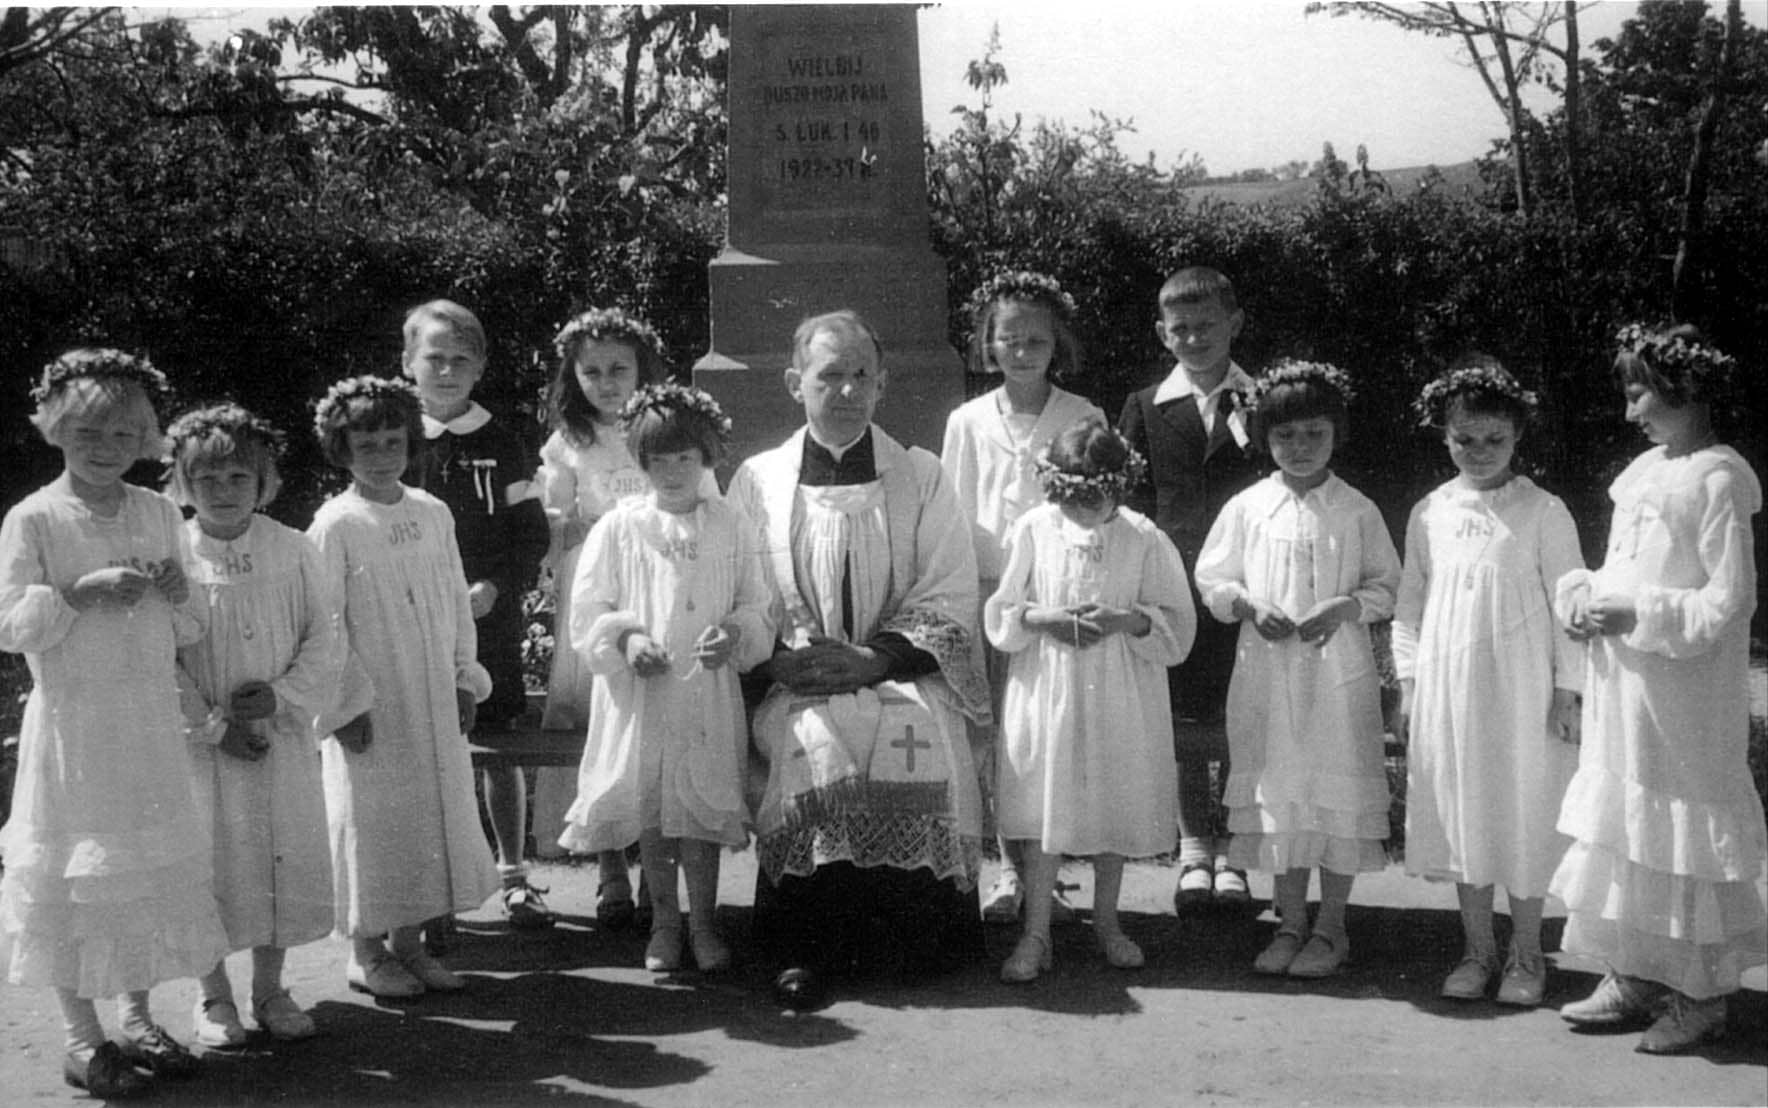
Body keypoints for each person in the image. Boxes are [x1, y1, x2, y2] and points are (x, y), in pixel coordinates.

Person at [729, 310, 992, 1011]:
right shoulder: (758, 481)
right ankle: (805, 949)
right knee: (813, 743)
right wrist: (780, 662)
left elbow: (949, 588)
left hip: (897, 673)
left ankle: (913, 944)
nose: (846, 391)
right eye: (828, 376)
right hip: (801, 678)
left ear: (882, 384)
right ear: (795, 383)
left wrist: (876, 661)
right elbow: (739, 591)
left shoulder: (920, 476)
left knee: (921, 736)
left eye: (860, 376)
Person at [0, 349, 228, 1098]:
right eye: (87, 433)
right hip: (76, 729)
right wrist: (76, 591)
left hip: (146, 727)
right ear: (55, 429)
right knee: (78, 882)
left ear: (146, 442)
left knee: (141, 881)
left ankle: (136, 1019)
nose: (105, 449)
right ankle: (81, 1038)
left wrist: (172, 586)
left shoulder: (159, 511)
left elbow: (192, 623)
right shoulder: (34, 517)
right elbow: (9, 625)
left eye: (124, 436)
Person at [1551, 323, 1765, 1054]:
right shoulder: (1642, 475)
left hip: (1685, 696)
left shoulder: (1718, 479)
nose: (1630, 409)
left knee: (1682, 832)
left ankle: (1700, 993)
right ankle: (1636, 973)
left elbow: (1726, 601)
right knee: (1630, 827)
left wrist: (1642, 612)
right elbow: (1620, 566)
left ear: (1689, 390)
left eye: (1640, 391)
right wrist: (1583, 597)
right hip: (1626, 688)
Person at [1194, 359, 1399, 979]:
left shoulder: (1357, 510)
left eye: (1314, 434)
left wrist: (1346, 606)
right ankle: (1288, 923)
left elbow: (1387, 586)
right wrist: (1249, 604)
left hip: (1337, 675)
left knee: (1333, 790)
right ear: (1264, 439)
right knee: (1283, 791)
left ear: (1335, 433)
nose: (1300, 448)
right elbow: (1213, 578)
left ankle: (1331, 928)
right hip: (1269, 673)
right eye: (1285, 437)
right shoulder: (1250, 506)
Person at [557, 384, 771, 974]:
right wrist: (627, 638)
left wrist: (734, 632)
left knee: (699, 810)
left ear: (707, 458)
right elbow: (588, 611)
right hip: (645, 695)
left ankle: (703, 924)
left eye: (685, 458)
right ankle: (664, 924)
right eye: (658, 460)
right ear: (640, 462)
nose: (672, 471)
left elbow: (759, 603)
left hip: (706, 692)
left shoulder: (731, 524)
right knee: (654, 810)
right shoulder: (621, 528)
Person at [1391, 359, 1584, 1007]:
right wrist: (1412, 684)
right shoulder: (1430, 512)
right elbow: (1410, 608)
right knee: (1466, 815)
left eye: (1493, 440)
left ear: (1517, 436)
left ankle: (1527, 954)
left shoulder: (1543, 511)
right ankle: (1477, 950)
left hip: (1523, 691)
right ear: (1444, 436)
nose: (1478, 452)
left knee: (1523, 812)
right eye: (1463, 439)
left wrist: (1568, 689)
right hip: (1452, 693)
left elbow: (1570, 608)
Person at [308, 375, 499, 998]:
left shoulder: (431, 512)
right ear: (343, 449)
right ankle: (365, 951)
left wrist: (463, 679)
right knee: (373, 821)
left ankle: (409, 946)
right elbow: (324, 622)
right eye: (368, 445)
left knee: (423, 818)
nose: (383, 454)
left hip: (430, 695)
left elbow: (452, 598)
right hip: (373, 699)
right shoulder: (336, 523)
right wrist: (343, 705)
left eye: (394, 441)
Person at [986, 419, 1194, 983]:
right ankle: (1036, 933)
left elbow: (1178, 621)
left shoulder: (1142, 537)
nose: (1082, 511)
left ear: (1119, 485)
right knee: (1046, 803)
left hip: (1119, 687)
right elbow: (1004, 610)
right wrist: (1041, 616)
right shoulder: (1034, 529)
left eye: (1095, 498)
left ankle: (1107, 921)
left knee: (1111, 801)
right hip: (1050, 683)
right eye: (1071, 499)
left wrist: (1129, 619)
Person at [168, 405, 343, 1046]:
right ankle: (213, 998)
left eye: (238, 478)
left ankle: (270, 989)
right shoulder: (172, 555)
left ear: (263, 481)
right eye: (205, 478)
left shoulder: (292, 548)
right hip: (204, 747)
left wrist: (283, 696)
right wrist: (214, 728)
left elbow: (325, 637)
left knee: (278, 856)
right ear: (182, 483)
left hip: (279, 737)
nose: (222, 491)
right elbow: (160, 656)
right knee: (208, 862)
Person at [534, 307, 705, 929]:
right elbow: (548, 525)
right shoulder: (569, 445)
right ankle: (610, 869)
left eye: (619, 369)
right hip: (599, 592)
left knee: (654, 728)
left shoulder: (661, 430)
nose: (607, 383)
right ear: (573, 376)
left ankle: (660, 865)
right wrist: (582, 524)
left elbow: (698, 498)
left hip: (664, 591)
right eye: (592, 372)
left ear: (644, 370)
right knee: (599, 729)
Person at [941, 270, 1102, 927]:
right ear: (988, 343)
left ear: (1055, 343)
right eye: (1008, 338)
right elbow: (952, 510)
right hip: (989, 597)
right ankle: (1007, 868)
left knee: (1047, 737)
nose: (1022, 350)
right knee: (995, 735)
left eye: (1036, 339)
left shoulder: (1081, 414)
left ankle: (1050, 872)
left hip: (1056, 598)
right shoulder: (968, 420)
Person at [402, 300, 554, 931]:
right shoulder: (394, 435)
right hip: (408, 624)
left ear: (481, 367)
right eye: (434, 357)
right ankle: (429, 889)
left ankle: (513, 875)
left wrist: (497, 586)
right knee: (422, 750)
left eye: (461, 359)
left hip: (486, 621)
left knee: (496, 746)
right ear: (407, 362)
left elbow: (531, 536)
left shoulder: (503, 440)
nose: (447, 370)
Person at [1118, 266, 1266, 914]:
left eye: (1208, 325)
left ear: (1234, 323)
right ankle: (1193, 849)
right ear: (1162, 333)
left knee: (1241, 713)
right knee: (1180, 716)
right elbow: (1133, 499)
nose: (1195, 338)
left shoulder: (1262, 400)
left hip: (1245, 583)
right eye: (1180, 328)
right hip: (1174, 581)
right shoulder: (1146, 406)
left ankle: (1234, 851)